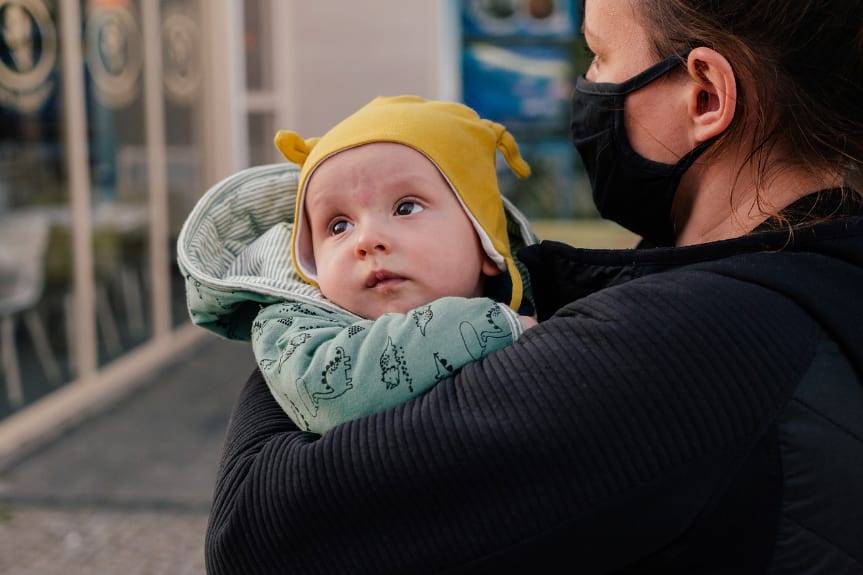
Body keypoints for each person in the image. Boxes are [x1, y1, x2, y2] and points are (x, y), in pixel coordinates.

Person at [204, 0, 863, 572]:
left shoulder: (691, 344)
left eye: (599, 57)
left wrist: (296, 302)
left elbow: (260, 532)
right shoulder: (799, 268)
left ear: (703, 96)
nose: (586, 84)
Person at [257, 96, 536, 434]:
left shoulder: (557, 300)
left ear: (485, 243)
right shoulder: (293, 328)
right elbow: (325, 391)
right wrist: (496, 326)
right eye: (339, 226)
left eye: (405, 208)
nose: (367, 240)